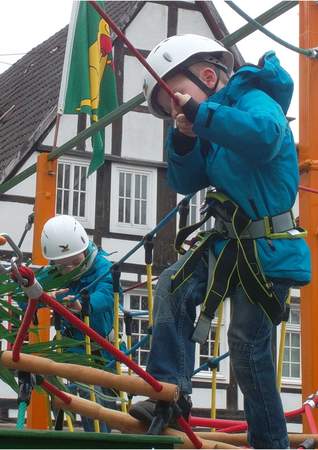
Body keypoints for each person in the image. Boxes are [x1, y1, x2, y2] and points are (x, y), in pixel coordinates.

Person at [129, 34, 311, 449]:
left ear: (209, 75)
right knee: (172, 288)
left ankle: (270, 443)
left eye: (175, 99)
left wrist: (202, 115)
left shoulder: (255, 98)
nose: (174, 110)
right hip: (226, 243)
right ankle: (171, 393)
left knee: (246, 350)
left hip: (263, 248)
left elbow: (264, 138)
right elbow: (186, 181)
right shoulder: (210, 123)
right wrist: (187, 137)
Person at [41, 214, 117, 432]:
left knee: (99, 397)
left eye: (76, 261)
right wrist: (50, 297)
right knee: (64, 388)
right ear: (54, 262)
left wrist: (83, 305)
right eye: (64, 265)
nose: (72, 268)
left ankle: (101, 440)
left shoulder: (102, 266)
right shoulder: (53, 274)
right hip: (71, 345)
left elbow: (107, 294)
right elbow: (29, 295)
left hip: (102, 347)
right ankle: (67, 431)